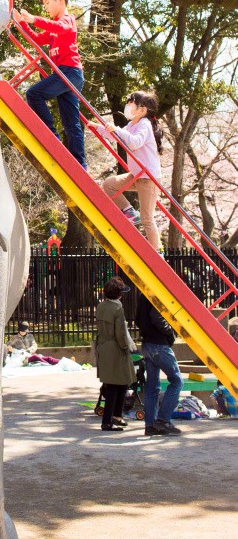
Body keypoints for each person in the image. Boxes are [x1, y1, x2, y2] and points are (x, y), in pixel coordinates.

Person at [15, 0, 86, 169]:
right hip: (66, 74)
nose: (45, 7)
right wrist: (22, 22)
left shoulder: (67, 20)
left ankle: (52, 138)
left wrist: (33, 19)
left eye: (47, 3)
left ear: (60, 0)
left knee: (34, 94)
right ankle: (80, 166)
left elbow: (60, 28)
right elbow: (37, 38)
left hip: (70, 71)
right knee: (71, 122)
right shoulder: (54, 29)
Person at [89, 91, 163, 251]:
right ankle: (129, 212)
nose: (127, 106)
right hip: (137, 175)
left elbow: (135, 142)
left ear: (142, 110)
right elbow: (118, 136)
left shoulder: (144, 124)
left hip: (148, 178)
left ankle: (157, 252)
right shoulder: (131, 125)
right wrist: (99, 128)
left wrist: (115, 129)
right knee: (109, 184)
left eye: (131, 103)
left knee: (147, 218)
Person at [136, 292, 183, 437]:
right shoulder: (158, 292)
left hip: (147, 344)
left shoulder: (144, 294)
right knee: (177, 381)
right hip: (159, 345)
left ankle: (150, 425)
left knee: (152, 386)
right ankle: (163, 420)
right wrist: (170, 333)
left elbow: (138, 319)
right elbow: (157, 317)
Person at [95, 276, 135, 432]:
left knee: (115, 383)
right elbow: (120, 333)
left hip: (103, 346)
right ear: (118, 294)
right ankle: (108, 421)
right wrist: (126, 347)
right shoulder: (118, 309)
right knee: (117, 384)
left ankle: (116, 416)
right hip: (116, 348)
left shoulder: (101, 306)